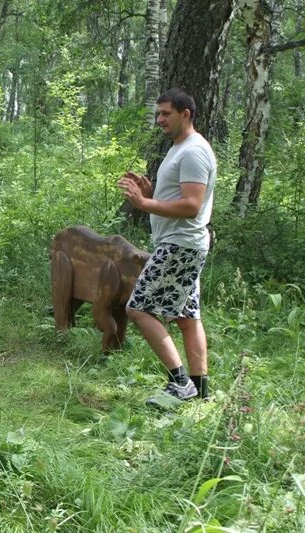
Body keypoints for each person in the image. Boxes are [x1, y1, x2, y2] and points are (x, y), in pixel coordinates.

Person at [117, 88, 216, 403]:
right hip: (182, 243)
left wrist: (145, 203)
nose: (159, 119)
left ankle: (180, 382)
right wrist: (153, 192)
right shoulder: (179, 148)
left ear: (185, 114)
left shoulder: (193, 152)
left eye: (165, 114)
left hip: (180, 245)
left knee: (138, 308)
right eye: (157, 114)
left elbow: (191, 206)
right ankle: (200, 390)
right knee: (187, 318)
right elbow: (179, 198)